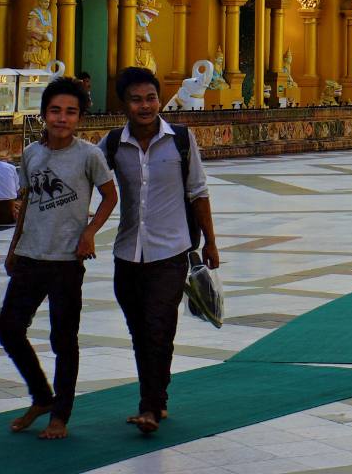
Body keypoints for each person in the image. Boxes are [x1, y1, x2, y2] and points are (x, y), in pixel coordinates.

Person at [0, 76, 116, 440]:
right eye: (55, 111)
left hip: (66, 260)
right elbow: (28, 201)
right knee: (8, 328)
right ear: (44, 113)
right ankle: (42, 397)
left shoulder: (89, 155)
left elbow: (110, 196)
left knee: (64, 339)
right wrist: (13, 248)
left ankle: (60, 415)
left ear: (79, 118)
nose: (62, 118)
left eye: (70, 112)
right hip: (31, 255)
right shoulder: (32, 154)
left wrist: (89, 232)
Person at [105, 66, 219, 435]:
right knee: (140, 331)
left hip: (171, 251)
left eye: (151, 98)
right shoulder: (111, 146)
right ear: (123, 104)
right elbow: (87, 181)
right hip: (127, 252)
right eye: (136, 100)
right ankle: (157, 397)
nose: (145, 106)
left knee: (159, 327)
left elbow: (198, 192)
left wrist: (211, 242)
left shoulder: (181, 141)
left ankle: (149, 408)